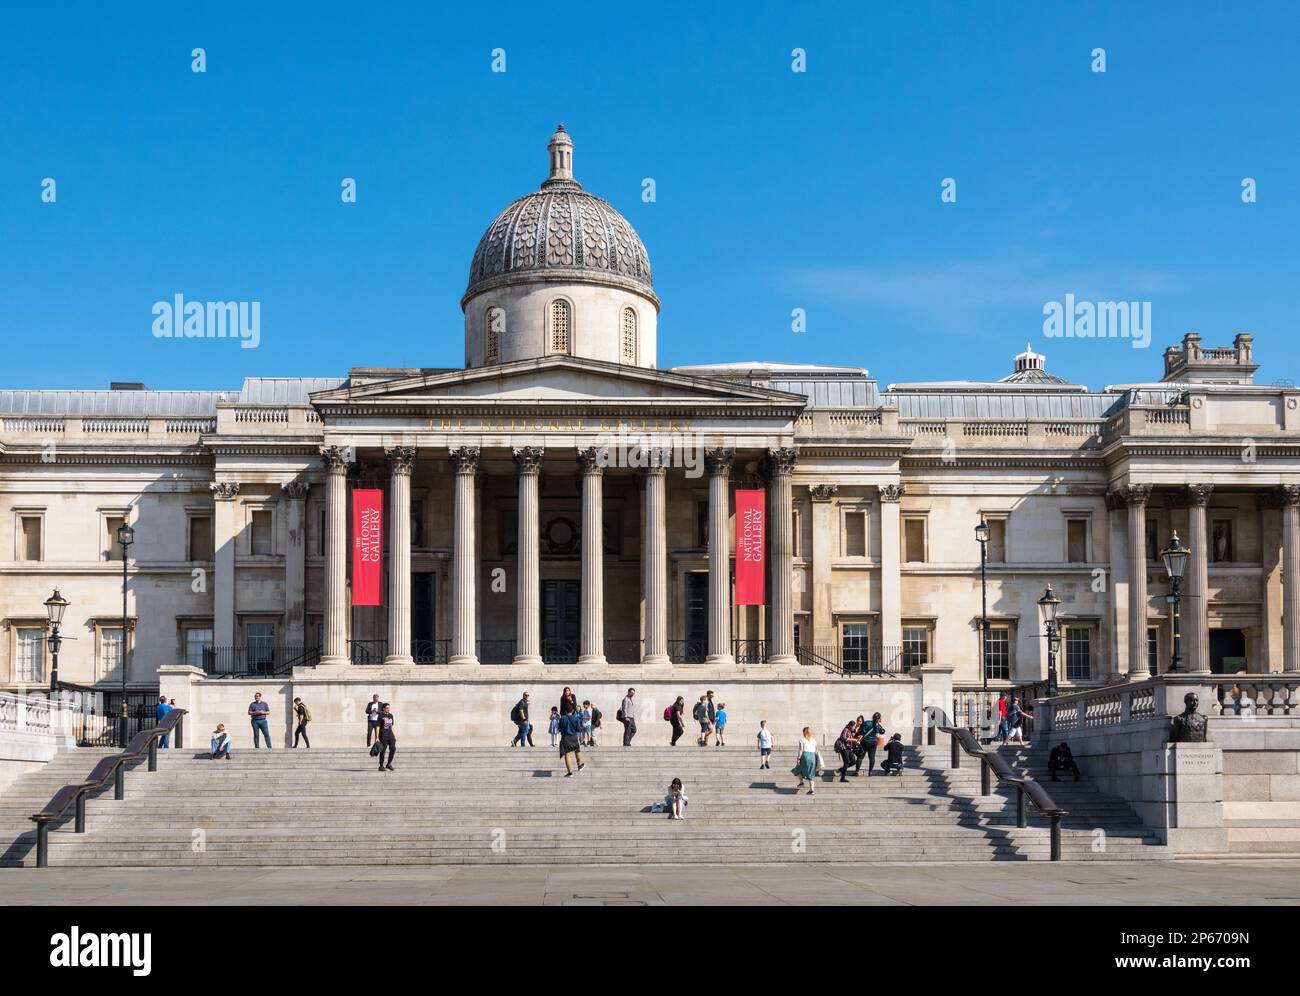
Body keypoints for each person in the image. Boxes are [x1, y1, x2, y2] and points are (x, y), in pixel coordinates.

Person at [558, 708, 585, 776]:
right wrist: (583, 726)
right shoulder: (576, 719)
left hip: (565, 738)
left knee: (567, 754)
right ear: (573, 711)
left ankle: (570, 772)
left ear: (565, 711)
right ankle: (579, 765)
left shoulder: (562, 718)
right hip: (574, 737)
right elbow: (579, 729)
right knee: (577, 750)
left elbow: (559, 729)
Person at [835, 718, 861, 783]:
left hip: (849, 748)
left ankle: (841, 769)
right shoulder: (846, 730)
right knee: (846, 762)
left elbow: (851, 739)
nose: (854, 728)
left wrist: (856, 740)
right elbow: (844, 738)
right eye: (854, 726)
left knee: (853, 761)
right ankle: (842, 778)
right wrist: (854, 740)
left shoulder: (850, 731)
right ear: (850, 726)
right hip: (844, 748)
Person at [796, 727, 818, 794]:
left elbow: (801, 750)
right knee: (811, 773)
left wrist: (798, 758)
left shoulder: (802, 740)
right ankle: (812, 790)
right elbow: (816, 750)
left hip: (805, 756)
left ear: (804, 732)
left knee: (798, 768)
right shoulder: (814, 740)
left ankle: (801, 782)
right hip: (813, 757)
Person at [376, 703, 396, 771]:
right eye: (387, 708)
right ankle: (381, 766)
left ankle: (388, 764)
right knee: (383, 751)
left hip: (390, 735)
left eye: (389, 708)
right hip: (383, 735)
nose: (388, 709)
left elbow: (391, 726)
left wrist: (394, 735)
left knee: (393, 749)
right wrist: (377, 737)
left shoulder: (391, 715)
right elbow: (378, 727)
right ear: (383, 708)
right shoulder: (380, 716)